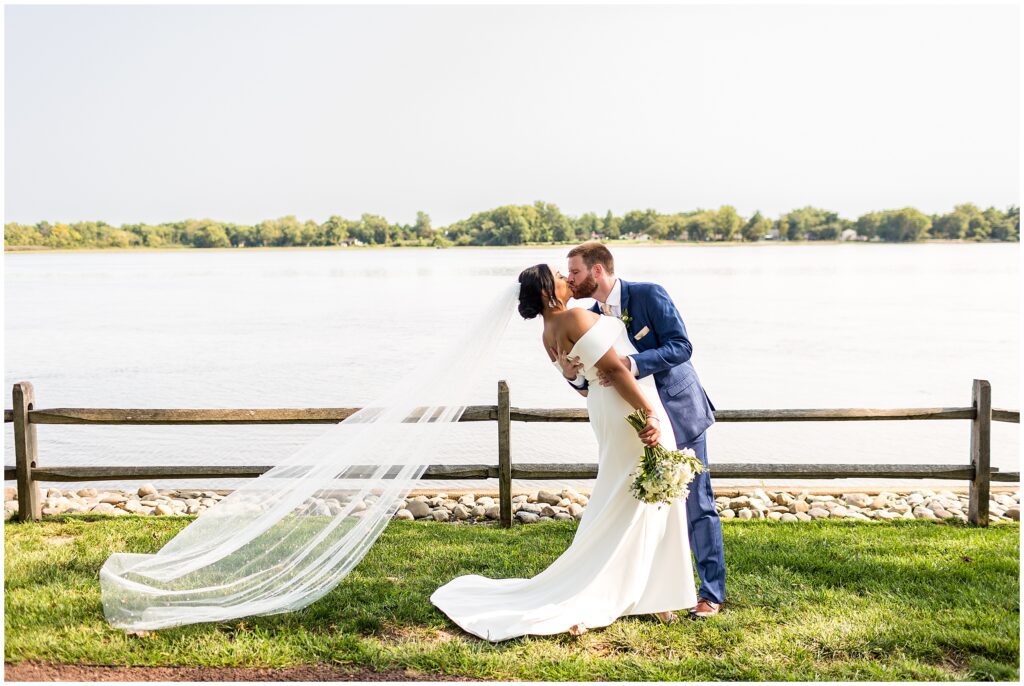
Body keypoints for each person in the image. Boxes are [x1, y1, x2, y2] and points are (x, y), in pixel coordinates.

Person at [430, 264, 697, 641]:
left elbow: (583, 385)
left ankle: (651, 593)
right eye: (559, 274)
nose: (566, 278)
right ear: (546, 290)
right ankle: (646, 595)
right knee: (643, 494)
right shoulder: (573, 316)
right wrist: (650, 414)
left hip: (605, 409)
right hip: (630, 406)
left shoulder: (547, 333)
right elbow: (617, 372)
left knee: (629, 495)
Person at [564, 241, 724, 618]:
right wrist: (573, 376)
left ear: (598, 271)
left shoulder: (648, 294)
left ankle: (711, 593)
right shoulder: (586, 316)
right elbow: (592, 383)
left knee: (697, 503)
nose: (570, 280)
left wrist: (632, 363)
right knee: (646, 506)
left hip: (677, 410)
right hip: (636, 425)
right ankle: (656, 594)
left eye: (575, 272)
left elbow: (681, 346)